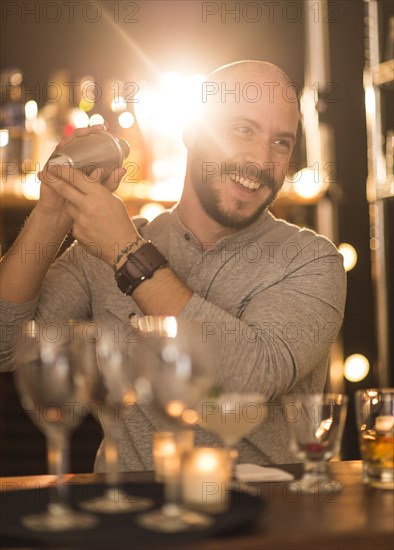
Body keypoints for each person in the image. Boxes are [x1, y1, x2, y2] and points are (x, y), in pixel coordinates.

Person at [0, 60, 346, 470]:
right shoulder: (105, 248)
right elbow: (7, 347)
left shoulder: (312, 260)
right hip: (129, 514)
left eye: (281, 143)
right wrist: (52, 211)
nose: (260, 160)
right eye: (243, 130)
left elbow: (251, 382)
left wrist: (128, 254)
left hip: (264, 519)